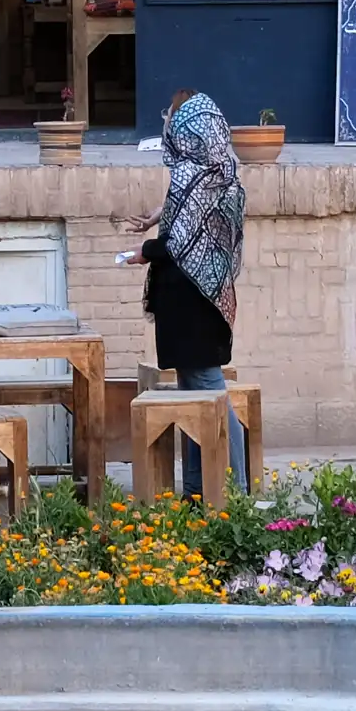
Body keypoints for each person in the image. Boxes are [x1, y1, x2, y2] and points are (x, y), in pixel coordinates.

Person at [127, 90, 249, 495]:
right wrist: (159, 217)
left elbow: (178, 242)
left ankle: (233, 491)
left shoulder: (187, 174)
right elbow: (193, 212)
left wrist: (142, 252)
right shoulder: (223, 169)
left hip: (186, 303)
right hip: (210, 300)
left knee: (209, 396)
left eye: (172, 119)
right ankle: (200, 492)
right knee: (196, 398)